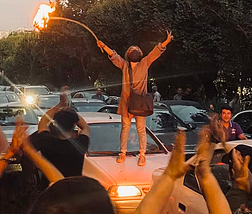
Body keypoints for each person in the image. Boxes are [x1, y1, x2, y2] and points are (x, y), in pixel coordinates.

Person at [97, 30, 173, 166]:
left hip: (141, 103)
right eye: (132, 50)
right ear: (128, 54)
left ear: (140, 53)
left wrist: (167, 41)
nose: (134, 51)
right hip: (127, 103)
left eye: (136, 49)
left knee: (141, 129)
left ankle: (142, 155)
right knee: (125, 128)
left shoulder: (145, 63)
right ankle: (123, 153)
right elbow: (113, 55)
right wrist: (103, 46)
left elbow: (156, 52)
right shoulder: (124, 65)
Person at [30, 91, 90, 178]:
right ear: (74, 124)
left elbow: (43, 121)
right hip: (73, 187)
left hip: (51, 186)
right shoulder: (80, 144)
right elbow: (85, 127)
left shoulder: (48, 142)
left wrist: (60, 105)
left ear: (56, 124)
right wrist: (69, 111)